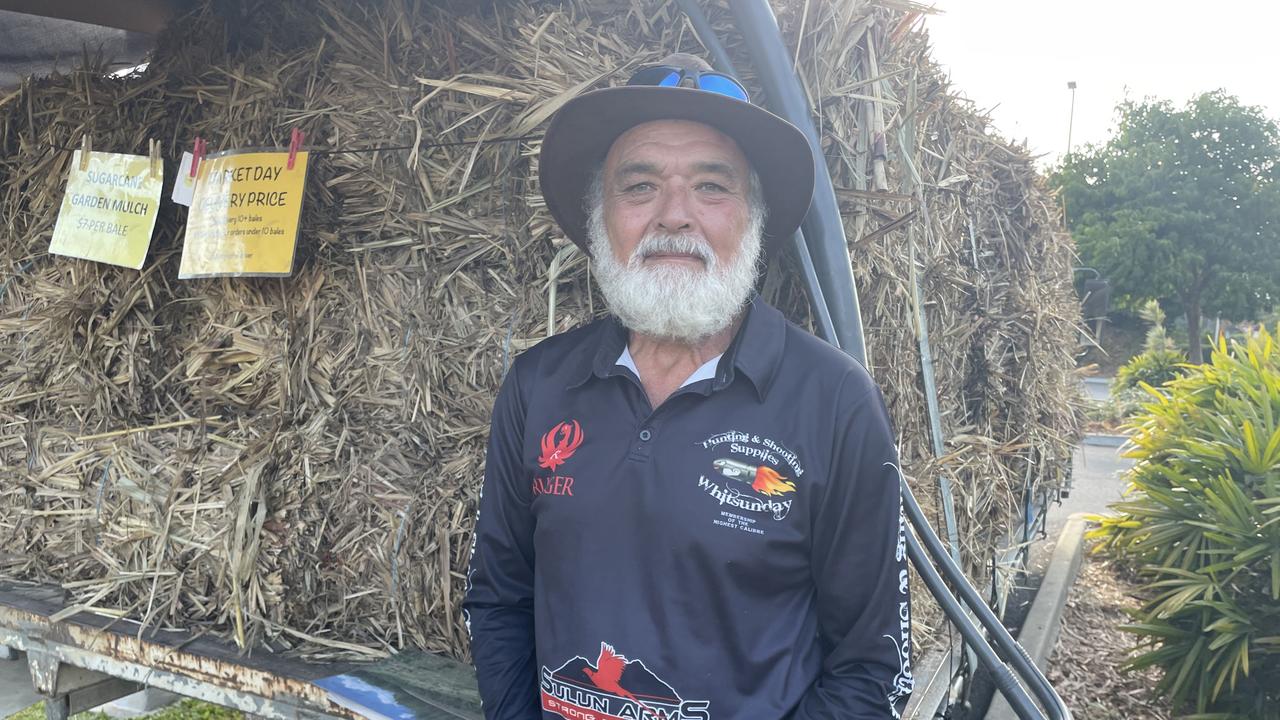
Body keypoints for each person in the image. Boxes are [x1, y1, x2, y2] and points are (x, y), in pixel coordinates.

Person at [464, 53, 912, 720]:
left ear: (750, 219)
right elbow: (500, 600)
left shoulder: (835, 403)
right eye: (640, 187)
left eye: (711, 187)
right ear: (600, 219)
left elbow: (869, 668)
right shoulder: (539, 384)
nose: (675, 215)